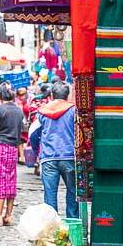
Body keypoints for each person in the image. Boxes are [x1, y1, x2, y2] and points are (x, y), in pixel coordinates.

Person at [32, 83, 79, 218]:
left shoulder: (42, 111)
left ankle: (52, 229)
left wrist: (37, 152)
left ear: (51, 95)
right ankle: (72, 224)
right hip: (70, 157)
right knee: (72, 192)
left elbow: (33, 134)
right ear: (68, 95)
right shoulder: (74, 111)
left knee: (50, 195)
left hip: (48, 158)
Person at [0, 84, 26, 226]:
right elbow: (21, 132)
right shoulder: (19, 111)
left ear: (0, 96)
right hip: (13, 148)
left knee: (0, 180)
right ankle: (8, 215)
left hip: (0, 147)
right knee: (11, 180)